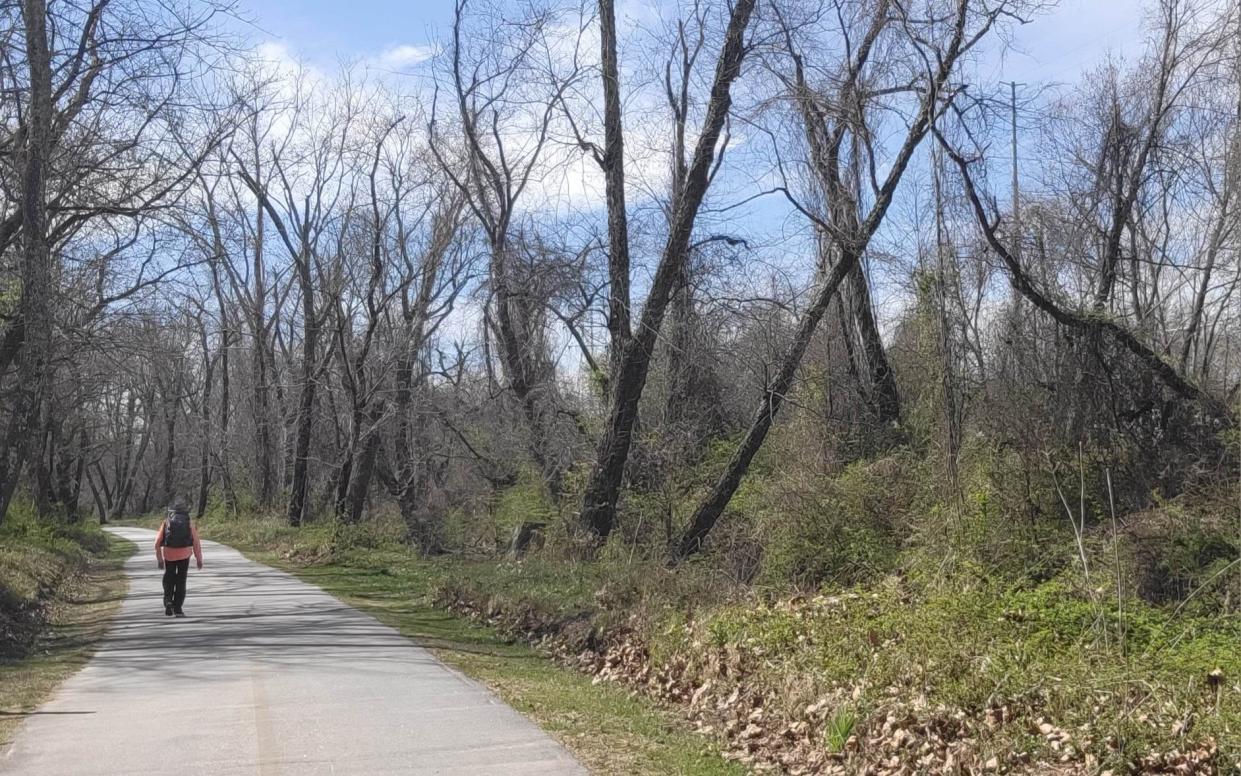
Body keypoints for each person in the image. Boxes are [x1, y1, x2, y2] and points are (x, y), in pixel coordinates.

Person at [154, 497, 203, 617]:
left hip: (169, 554)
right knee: (181, 581)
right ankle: (178, 608)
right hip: (184, 555)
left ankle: (168, 601)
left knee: (169, 578)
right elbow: (196, 542)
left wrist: (160, 560)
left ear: (172, 511)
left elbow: (157, 543)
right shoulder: (189, 523)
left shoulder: (166, 522)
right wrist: (199, 559)